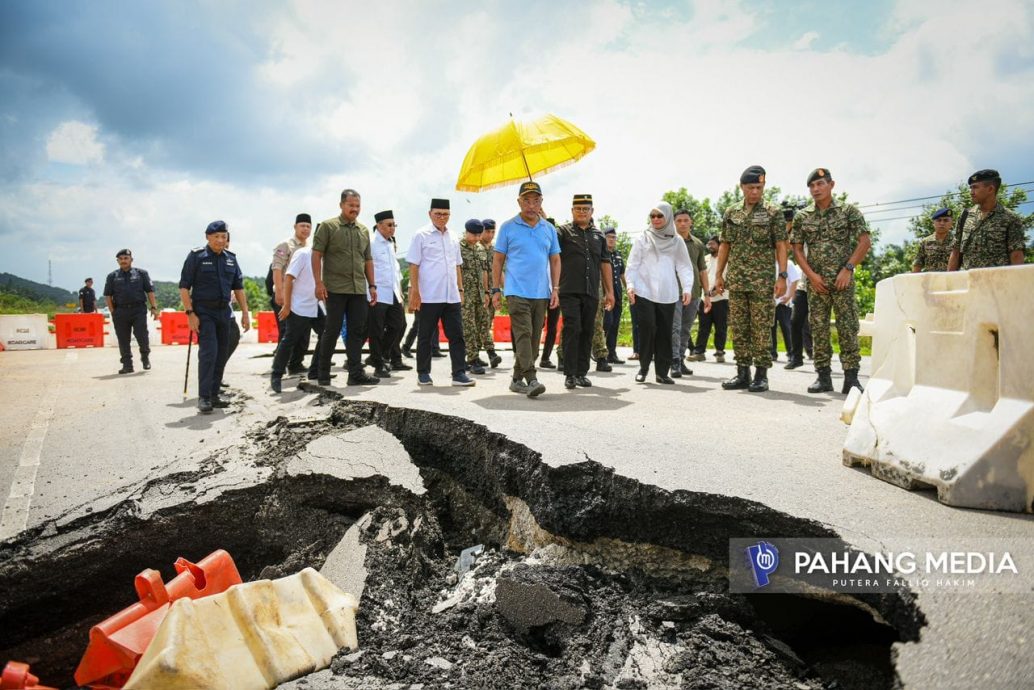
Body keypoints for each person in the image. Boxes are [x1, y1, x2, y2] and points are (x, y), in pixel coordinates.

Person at [791, 168, 870, 394]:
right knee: (818, 329)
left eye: (820, 184)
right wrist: (812, 276)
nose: (816, 189)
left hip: (842, 281)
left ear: (831, 185)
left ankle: (851, 378)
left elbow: (864, 242)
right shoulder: (803, 216)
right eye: (812, 186)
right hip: (817, 284)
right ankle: (823, 376)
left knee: (847, 327)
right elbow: (796, 249)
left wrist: (848, 269)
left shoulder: (848, 211)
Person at [715, 166, 788, 393]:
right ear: (742, 187)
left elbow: (781, 245)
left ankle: (761, 375)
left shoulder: (773, 213)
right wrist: (719, 274)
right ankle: (742, 372)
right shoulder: (731, 212)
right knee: (739, 327)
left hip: (762, 281)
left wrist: (782, 276)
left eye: (759, 187)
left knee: (761, 327)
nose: (755, 192)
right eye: (751, 187)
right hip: (736, 280)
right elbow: (725, 244)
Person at [492, 181, 560, 397]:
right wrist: (495, 290)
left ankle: (516, 379)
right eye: (526, 201)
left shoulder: (548, 228)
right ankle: (531, 378)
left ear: (541, 202)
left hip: (541, 292)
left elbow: (556, 259)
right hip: (516, 290)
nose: (531, 205)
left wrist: (555, 288)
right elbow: (497, 260)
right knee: (523, 334)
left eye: (536, 200)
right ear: (519, 202)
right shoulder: (508, 227)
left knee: (533, 339)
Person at [178, 221, 251, 413]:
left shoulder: (231, 259)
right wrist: (190, 314)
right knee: (209, 354)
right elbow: (184, 287)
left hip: (224, 313)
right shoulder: (197, 257)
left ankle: (214, 394)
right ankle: (204, 397)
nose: (220, 240)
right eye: (216, 237)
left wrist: (244, 313)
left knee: (220, 355)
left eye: (223, 237)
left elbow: (239, 288)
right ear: (207, 237)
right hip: (204, 313)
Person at [312, 189, 379, 386]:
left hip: (358, 289)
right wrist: (318, 282)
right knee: (331, 330)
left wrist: (372, 285)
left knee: (356, 332)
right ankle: (322, 373)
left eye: (357, 206)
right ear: (341, 205)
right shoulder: (328, 227)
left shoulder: (364, 230)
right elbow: (316, 255)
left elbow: (367, 260)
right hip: (334, 288)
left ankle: (355, 373)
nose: (355, 209)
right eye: (351, 205)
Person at [406, 198, 474, 387]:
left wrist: (460, 289)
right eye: (438, 214)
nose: (442, 217)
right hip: (429, 295)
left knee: (457, 335)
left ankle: (459, 373)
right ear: (430, 214)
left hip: (451, 295)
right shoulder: (421, 235)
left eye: (445, 214)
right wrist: (415, 291)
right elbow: (414, 264)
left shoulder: (453, 237)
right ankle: (423, 373)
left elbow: (457, 266)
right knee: (425, 335)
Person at [625, 202, 695, 384]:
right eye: (652, 216)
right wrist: (630, 285)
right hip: (644, 291)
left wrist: (687, 288)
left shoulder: (677, 240)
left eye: (659, 216)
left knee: (665, 332)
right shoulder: (643, 238)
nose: (655, 219)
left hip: (668, 293)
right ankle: (643, 368)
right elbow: (632, 264)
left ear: (667, 217)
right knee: (647, 329)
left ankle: (662, 373)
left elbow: (684, 266)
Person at [555, 194, 614, 389]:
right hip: (568, 290)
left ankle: (581, 372)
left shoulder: (599, 236)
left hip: (591, 292)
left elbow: (605, 264)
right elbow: (552, 257)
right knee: (573, 328)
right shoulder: (562, 233)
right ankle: (570, 373)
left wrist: (610, 292)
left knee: (588, 330)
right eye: (578, 209)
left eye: (585, 209)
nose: (582, 212)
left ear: (592, 212)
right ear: (572, 211)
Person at [270, 242, 329, 392]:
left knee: (327, 334)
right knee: (290, 339)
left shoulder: (328, 256)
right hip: (299, 305)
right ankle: (276, 375)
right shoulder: (303, 254)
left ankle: (315, 370)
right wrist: (287, 305)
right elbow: (288, 278)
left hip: (316, 304)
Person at [948, 169, 1027, 271]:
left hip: (997, 283)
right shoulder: (965, 216)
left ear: (990, 189)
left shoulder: (1010, 218)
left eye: (975, 188)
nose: (971, 192)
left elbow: (1016, 255)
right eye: (971, 188)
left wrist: (1016, 284)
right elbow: (956, 252)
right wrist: (949, 282)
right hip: (968, 282)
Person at [361, 210, 408, 379]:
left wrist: (400, 293)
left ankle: (378, 355)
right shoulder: (371, 243)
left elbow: (395, 271)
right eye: (389, 225)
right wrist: (370, 288)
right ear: (379, 225)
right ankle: (379, 364)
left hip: (393, 292)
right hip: (377, 292)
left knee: (399, 325)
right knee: (376, 329)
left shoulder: (390, 244)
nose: (392, 228)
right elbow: (366, 267)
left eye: (394, 225)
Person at [104, 249, 159, 374]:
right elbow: (108, 295)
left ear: (131, 260)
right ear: (117, 261)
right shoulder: (112, 276)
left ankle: (145, 358)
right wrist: (113, 312)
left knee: (142, 336)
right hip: (120, 311)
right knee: (123, 339)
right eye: (121, 259)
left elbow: (150, 291)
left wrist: (154, 307)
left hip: (138, 310)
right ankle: (127, 365)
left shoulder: (141, 273)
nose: (123, 261)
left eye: (126, 258)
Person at [269, 214, 313, 373]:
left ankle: (296, 364)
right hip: (285, 295)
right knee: (287, 332)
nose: (305, 229)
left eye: (308, 226)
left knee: (304, 332)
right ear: (295, 227)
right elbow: (277, 269)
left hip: (302, 298)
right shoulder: (285, 245)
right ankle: (279, 366)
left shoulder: (310, 247)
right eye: (302, 226)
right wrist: (279, 293)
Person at [671, 209, 710, 377]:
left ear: (691, 222)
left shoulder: (698, 244)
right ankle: (673, 362)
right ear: (674, 223)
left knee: (686, 329)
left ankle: (680, 359)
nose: (682, 223)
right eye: (679, 220)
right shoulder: (668, 241)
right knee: (675, 327)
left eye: (686, 220)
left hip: (694, 292)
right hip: (673, 292)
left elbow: (702, 270)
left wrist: (707, 294)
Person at [690, 235, 729, 362]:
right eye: (708, 244)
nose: (710, 246)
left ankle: (719, 352)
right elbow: (701, 275)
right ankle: (699, 352)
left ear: (719, 245)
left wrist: (718, 291)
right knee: (703, 326)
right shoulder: (705, 259)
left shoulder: (726, 260)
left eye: (712, 244)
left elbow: (729, 279)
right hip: (705, 298)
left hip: (721, 299)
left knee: (721, 327)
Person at [459, 219, 490, 375]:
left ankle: (471, 355)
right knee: (468, 327)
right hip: (465, 295)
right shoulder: (458, 248)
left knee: (480, 325)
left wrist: (486, 292)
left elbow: (484, 271)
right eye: (474, 235)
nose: (477, 238)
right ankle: (472, 360)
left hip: (479, 293)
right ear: (466, 232)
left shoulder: (480, 249)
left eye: (479, 235)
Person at [478, 219, 502, 368]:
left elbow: (499, 272)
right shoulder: (476, 247)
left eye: (493, 231)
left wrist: (502, 289)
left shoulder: (494, 249)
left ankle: (479, 354)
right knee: (482, 323)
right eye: (488, 231)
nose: (491, 234)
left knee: (487, 323)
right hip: (479, 292)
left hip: (493, 291)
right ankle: (491, 352)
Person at [602, 227, 627, 364]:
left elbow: (622, 274)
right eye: (609, 237)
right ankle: (600, 351)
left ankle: (612, 353)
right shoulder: (602, 254)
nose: (612, 239)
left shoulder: (617, 255)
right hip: (606, 294)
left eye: (614, 237)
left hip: (617, 294)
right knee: (607, 322)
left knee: (615, 324)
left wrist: (629, 290)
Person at [770, 259, 801, 362]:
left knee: (786, 327)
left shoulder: (788, 263)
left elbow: (795, 280)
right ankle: (772, 353)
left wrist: (789, 295)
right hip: (770, 301)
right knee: (771, 327)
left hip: (783, 301)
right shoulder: (767, 261)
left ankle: (791, 353)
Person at [912, 208, 953, 273]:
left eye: (946, 220)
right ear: (933, 223)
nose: (942, 223)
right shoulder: (925, 242)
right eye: (939, 220)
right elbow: (917, 264)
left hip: (952, 281)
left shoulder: (957, 241)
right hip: (932, 281)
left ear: (951, 223)